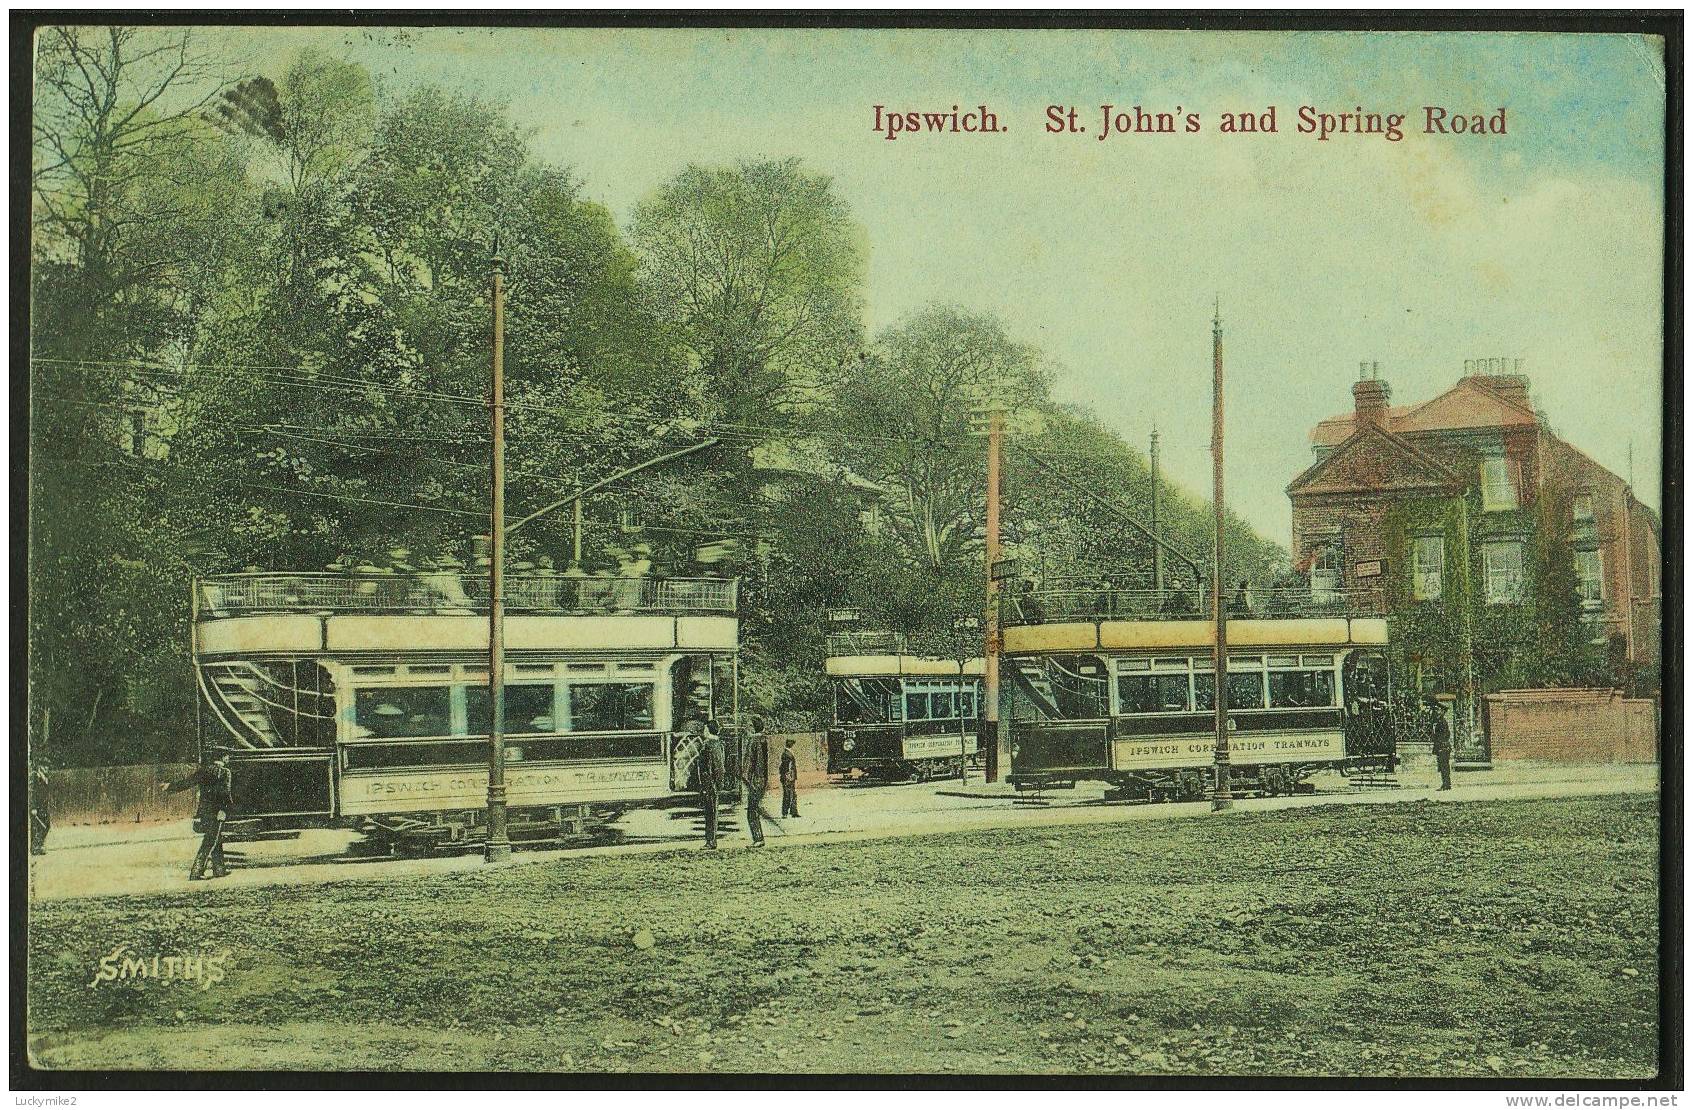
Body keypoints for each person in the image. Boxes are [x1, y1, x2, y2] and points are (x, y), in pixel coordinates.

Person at [164, 754, 235, 880]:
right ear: (223, 758)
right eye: (227, 756)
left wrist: (169, 786)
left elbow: (187, 783)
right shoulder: (225, 772)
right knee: (210, 841)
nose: (228, 759)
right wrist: (225, 809)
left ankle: (219, 870)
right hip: (218, 811)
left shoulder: (204, 771)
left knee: (215, 838)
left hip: (205, 811)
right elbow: (225, 792)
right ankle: (196, 872)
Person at [697, 718, 727, 849]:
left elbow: (709, 768)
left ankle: (711, 841)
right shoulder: (718, 744)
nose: (703, 731)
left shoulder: (708, 745)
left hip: (709, 784)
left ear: (708, 730)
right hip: (713, 783)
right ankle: (711, 840)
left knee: (710, 812)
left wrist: (707, 785)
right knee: (712, 811)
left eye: (705, 729)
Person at [742, 717, 770, 847]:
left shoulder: (753, 740)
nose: (746, 728)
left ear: (753, 727)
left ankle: (758, 838)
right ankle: (758, 838)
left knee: (751, 810)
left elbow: (750, 761)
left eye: (748, 725)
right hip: (762, 778)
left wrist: (746, 778)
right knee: (754, 808)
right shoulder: (764, 739)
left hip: (755, 779)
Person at [1428, 699, 1453, 791]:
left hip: (1443, 747)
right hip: (1442, 746)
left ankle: (1446, 784)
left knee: (1444, 766)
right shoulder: (1439, 721)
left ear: (1442, 711)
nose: (1437, 711)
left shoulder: (1442, 722)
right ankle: (1446, 784)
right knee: (1443, 766)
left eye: (1438, 710)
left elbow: (1446, 734)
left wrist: (1441, 745)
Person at [29, 762, 50, 855]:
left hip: (44, 806)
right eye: (45, 766)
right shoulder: (34, 777)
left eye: (47, 766)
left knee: (46, 825)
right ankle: (35, 847)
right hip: (36, 807)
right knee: (36, 827)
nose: (47, 768)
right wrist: (33, 807)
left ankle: (40, 845)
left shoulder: (45, 778)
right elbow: (32, 793)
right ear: (40, 767)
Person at [779, 737, 801, 818]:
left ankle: (793, 812)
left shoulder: (788, 753)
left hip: (790, 776)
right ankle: (785, 813)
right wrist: (788, 776)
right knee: (788, 795)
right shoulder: (786, 754)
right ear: (789, 744)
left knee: (792, 794)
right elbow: (786, 768)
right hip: (788, 777)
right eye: (792, 743)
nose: (793, 745)